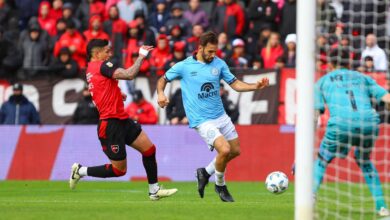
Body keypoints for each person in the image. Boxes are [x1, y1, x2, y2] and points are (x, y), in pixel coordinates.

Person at [156, 31, 269, 202]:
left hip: (220, 116)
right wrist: (160, 94)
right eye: (209, 51)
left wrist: (256, 86)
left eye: (215, 51)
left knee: (235, 151)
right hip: (201, 120)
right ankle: (220, 185)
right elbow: (162, 80)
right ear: (200, 48)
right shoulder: (184, 66)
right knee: (224, 149)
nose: (212, 55)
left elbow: (236, 84)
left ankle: (205, 172)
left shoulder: (219, 64)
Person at [69, 39, 177, 201]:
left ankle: (154, 191)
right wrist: (141, 56)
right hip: (110, 124)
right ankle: (80, 171)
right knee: (119, 170)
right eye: (107, 51)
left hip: (122, 119)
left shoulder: (91, 69)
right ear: (97, 53)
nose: (110, 54)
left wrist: (118, 93)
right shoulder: (102, 65)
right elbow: (129, 74)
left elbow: (101, 87)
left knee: (149, 150)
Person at [313, 49, 390, 217]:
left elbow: (315, 115)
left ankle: (310, 196)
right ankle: (382, 207)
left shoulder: (322, 82)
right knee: (364, 160)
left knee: (322, 158)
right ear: (350, 63)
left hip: (340, 123)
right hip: (369, 123)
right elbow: (387, 99)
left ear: (331, 65)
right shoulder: (363, 77)